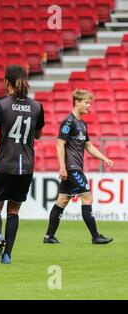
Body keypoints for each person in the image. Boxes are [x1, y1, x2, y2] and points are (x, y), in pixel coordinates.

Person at [0, 65, 44, 264]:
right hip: (26, 167)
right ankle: (8, 255)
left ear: (6, 82)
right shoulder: (37, 106)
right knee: (14, 211)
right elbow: (38, 135)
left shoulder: (0, 105)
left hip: (4, 164)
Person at [44, 89, 113, 245]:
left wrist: (104, 158)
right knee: (87, 197)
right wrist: (62, 167)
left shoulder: (82, 123)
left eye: (89, 103)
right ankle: (95, 236)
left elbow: (88, 146)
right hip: (71, 167)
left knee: (62, 200)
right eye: (86, 102)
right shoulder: (69, 122)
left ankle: (49, 237)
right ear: (77, 102)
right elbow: (59, 144)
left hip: (73, 168)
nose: (89, 106)